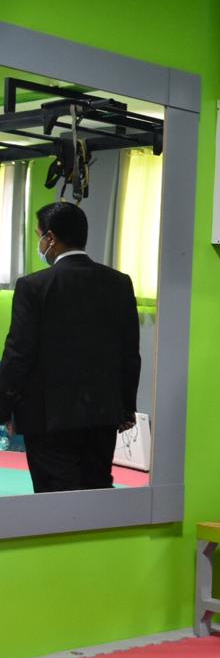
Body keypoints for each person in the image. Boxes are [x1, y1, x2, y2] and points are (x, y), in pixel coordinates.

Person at [0, 202, 139, 493]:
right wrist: (126, 408)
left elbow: (18, 355)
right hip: (102, 415)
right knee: (96, 492)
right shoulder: (119, 283)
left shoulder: (33, 286)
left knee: (55, 498)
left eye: (39, 235)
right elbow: (129, 353)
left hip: (48, 418)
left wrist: (4, 409)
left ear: (50, 238)